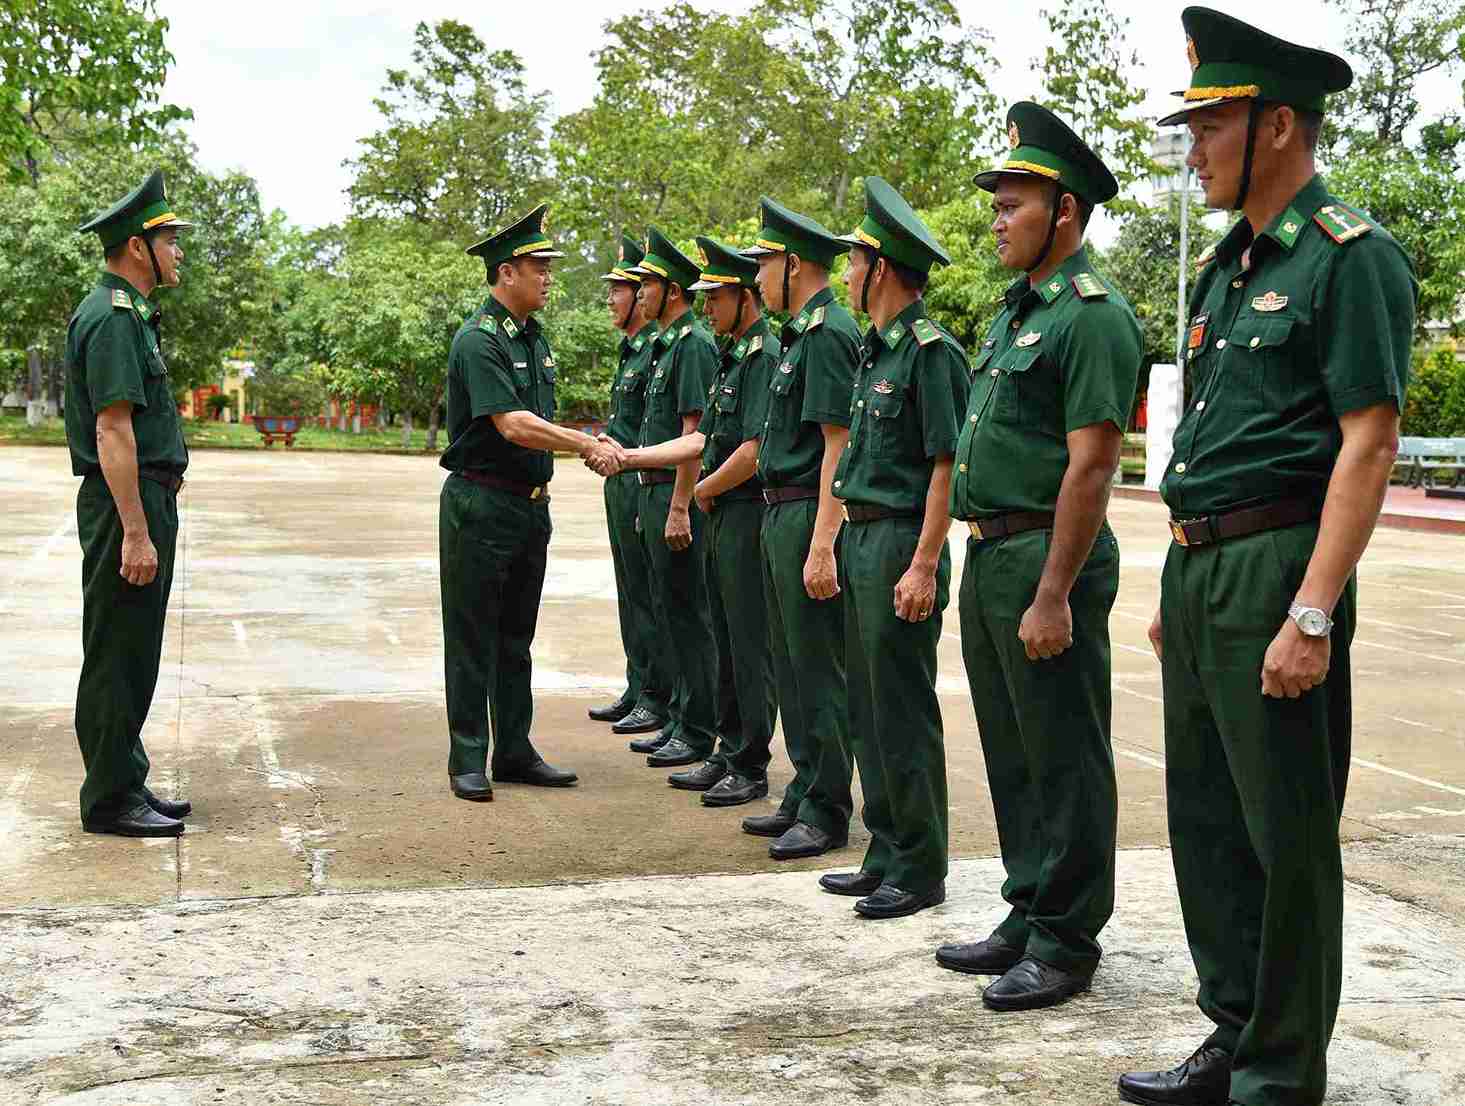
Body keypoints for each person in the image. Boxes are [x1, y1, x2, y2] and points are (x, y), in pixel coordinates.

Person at [1118, 10, 1416, 1106]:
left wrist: (1313, 610)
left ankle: (1280, 1072)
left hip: (1280, 567)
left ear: (1277, 125)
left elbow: (1368, 441)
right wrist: (1174, 579)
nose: (1191, 149)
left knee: (1283, 833)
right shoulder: (1225, 269)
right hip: (1202, 572)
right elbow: (1204, 440)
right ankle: (1231, 1033)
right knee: (1205, 820)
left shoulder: (1350, 257)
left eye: (1210, 126)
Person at [940, 102, 1141, 1010]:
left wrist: (1054, 590)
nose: (995, 218)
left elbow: (1092, 463)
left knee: (1062, 752)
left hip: (1043, 559)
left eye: (1011, 203)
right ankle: (1028, 908)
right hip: (990, 556)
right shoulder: (1014, 313)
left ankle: (1065, 940)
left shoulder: (1090, 317)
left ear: (1062, 210)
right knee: (1012, 750)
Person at [820, 177, 969, 919]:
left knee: (902, 709)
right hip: (861, 534)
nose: (846, 275)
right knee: (866, 705)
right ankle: (884, 851)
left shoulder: (928, 353)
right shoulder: (874, 352)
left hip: (901, 539)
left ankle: (920, 865)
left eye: (852, 263)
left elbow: (945, 463)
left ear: (879, 269)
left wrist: (921, 563)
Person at [439, 203, 620, 802]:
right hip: (480, 505)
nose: (548, 275)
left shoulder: (534, 340)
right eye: (537, 265)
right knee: (472, 637)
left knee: (516, 639)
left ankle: (513, 749)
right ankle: (468, 757)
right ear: (505, 273)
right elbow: (514, 424)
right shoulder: (478, 340)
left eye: (547, 265)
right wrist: (587, 444)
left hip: (528, 506)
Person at [608, 236, 779, 805]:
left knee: (731, 638)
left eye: (717, 296)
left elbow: (732, 443)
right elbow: (702, 437)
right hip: (700, 498)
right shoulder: (729, 351)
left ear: (743, 296)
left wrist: (689, 496)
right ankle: (719, 744)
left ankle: (734, 750)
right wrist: (633, 461)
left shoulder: (748, 351)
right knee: (705, 627)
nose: (707, 308)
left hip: (735, 507)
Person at [64, 169, 194, 837]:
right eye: (170, 240)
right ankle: (110, 798)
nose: (178, 252)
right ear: (138, 247)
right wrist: (136, 532)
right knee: (119, 650)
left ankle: (124, 777)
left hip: (141, 497)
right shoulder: (114, 318)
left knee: (133, 647)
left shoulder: (131, 316)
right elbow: (112, 430)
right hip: (128, 503)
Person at [738, 197, 859, 861]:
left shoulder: (829, 334)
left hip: (806, 513)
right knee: (789, 665)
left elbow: (835, 445)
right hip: (778, 509)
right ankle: (806, 787)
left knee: (817, 669)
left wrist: (821, 543)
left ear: (793, 264)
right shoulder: (798, 335)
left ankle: (828, 806)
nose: (756, 278)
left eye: (763, 263)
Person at [619, 227, 721, 769]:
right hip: (652, 492)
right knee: (666, 608)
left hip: (674, 495)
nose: (639, 294)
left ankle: (698, 727)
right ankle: (682, 718)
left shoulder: (693, 345)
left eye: (648, 285)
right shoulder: (667, 346)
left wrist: (681, 506)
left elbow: (694, 432)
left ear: (673, 291)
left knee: (688, 613)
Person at [586, 233, 667, 738]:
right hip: (620, 480)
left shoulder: (658, 350)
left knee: (652, 594)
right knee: (629, 590)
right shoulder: (632, 351)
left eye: (621, 288)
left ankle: (657, 695)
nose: (615, 299)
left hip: (643, 480)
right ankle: (639, 686)